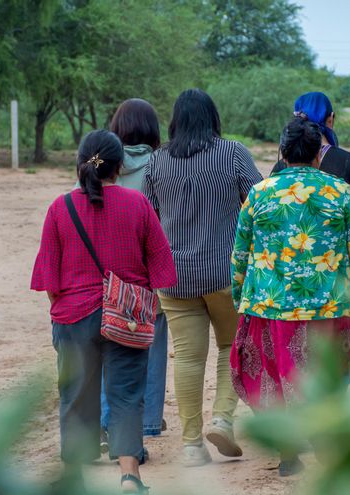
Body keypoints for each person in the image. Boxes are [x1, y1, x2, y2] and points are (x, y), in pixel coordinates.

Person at [31, 130, 177, 494]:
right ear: (120, 166)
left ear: (81, 163)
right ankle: (130, 476)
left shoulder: (59, 208)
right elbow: (162, 272)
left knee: (75, 394)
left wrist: (66, 316)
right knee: (126, 395)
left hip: (73, 316)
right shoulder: (137, 204)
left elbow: (49, 280)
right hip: (125, 318)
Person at [230, 117, 350, 476]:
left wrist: (239, 297)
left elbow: (240, 253)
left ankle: (289, 452)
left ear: (282, 152)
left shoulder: (259, 193)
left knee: (277, 376)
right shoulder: (340, 191)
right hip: (330, 304)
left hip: (272, 305)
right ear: (318, 155)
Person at [143, 89, 263, 467]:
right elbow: (260, 202)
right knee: (232, 346)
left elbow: (148, 215)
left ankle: (192, 445)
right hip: (226, 273)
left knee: (189, 358)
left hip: (175, 278)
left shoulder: (157, 161)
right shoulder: (232, 153)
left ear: (175, 120)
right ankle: (222, 420)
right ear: (213, 118)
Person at [271, 91, 350, 378]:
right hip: (338, 284)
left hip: (289, 284)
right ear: (330, 119)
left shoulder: (280, 168)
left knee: (297, 362)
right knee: (337, 363)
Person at [95, 99, 168, 454]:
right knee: (145, 351)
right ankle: (142, 427)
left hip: (99, 275)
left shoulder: (101, 161)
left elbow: (83, 189)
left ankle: (104, 423)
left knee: (107, 350)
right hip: (140, 276)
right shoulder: (161, 163)